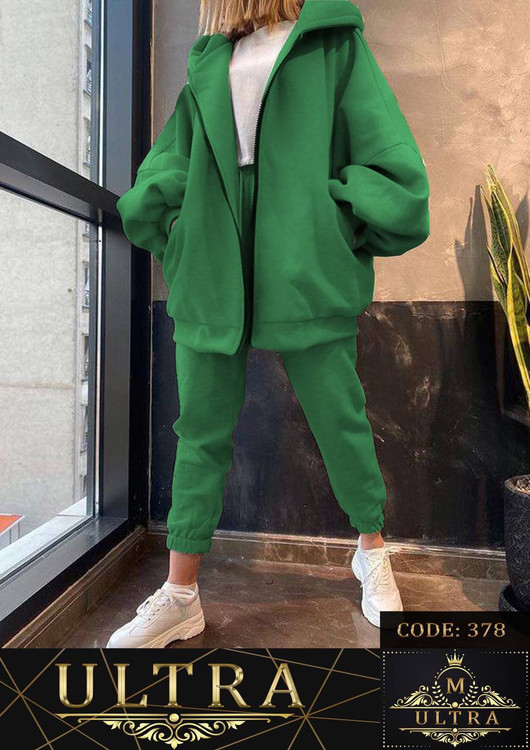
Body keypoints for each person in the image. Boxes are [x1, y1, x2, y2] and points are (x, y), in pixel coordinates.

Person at [107, 0, 430, 648]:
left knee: (340, 418)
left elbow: (387, 159)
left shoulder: (333, 45)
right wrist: (179, 231)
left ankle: (372, 551)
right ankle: (180, 594)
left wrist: (331, 222)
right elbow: (171, 163)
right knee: (200, 432)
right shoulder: (211, 59)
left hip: (303, 262)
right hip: (212, 265)